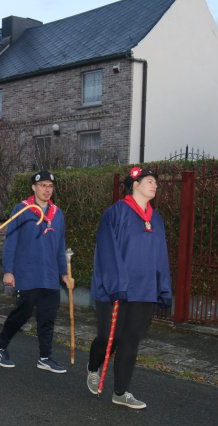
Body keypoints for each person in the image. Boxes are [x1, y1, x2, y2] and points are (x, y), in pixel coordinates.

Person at [87, 167, 172, 410]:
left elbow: (161, 255)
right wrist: (115, 285)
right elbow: (107, 251)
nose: (155, 185)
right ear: (135, 185)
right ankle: (93, 366)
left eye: (156, 182)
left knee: (131, 340)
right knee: (108, 337)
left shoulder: (156, 219)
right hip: (114, 290)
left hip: (144, 291)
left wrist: (163, 289)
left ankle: (120, 392)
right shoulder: (115, 213)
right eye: (149, 181)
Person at [0, 170, 74, 373]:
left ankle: (45, 357)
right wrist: (8, 271)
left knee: (47, 317)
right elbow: (11, 242)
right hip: (26, 274)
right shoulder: (22, 210)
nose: (47, 190)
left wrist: (64, 273)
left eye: (50, 186)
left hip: (50, 275)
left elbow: (60, 245)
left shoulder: (57, 214)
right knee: (22, 314)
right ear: (34, 187)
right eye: (42, 185)